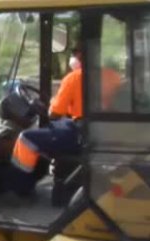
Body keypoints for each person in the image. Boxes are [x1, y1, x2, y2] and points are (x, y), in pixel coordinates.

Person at [9, 47, 121, 195]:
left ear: (81, 56)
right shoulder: (113, 76)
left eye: (75, 54)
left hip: (81, 134)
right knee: (52, 130)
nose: (73, 58)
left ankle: (20, 189)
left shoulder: (74, 78)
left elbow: (55, 112)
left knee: (26, 139)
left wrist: (51, 103)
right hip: (104, 130)